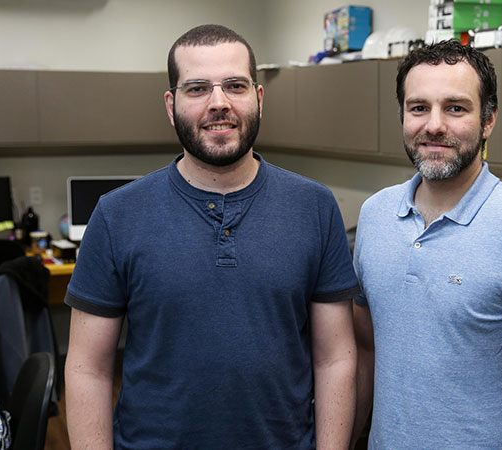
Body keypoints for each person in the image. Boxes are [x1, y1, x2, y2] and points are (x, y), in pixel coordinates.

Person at [64, 24, 359, 450]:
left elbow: (335, 360)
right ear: (171, 105)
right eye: (198, 88)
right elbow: (87, 368)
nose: (218, 103)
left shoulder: (314, 207)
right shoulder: (116, 214)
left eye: (235, 86)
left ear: (259, 97)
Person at [351, 40, 502, 449]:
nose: (434, 125)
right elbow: (365, 350)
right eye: (419, 107)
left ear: (488, 120)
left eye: (455, 108)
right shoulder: (374, 216)